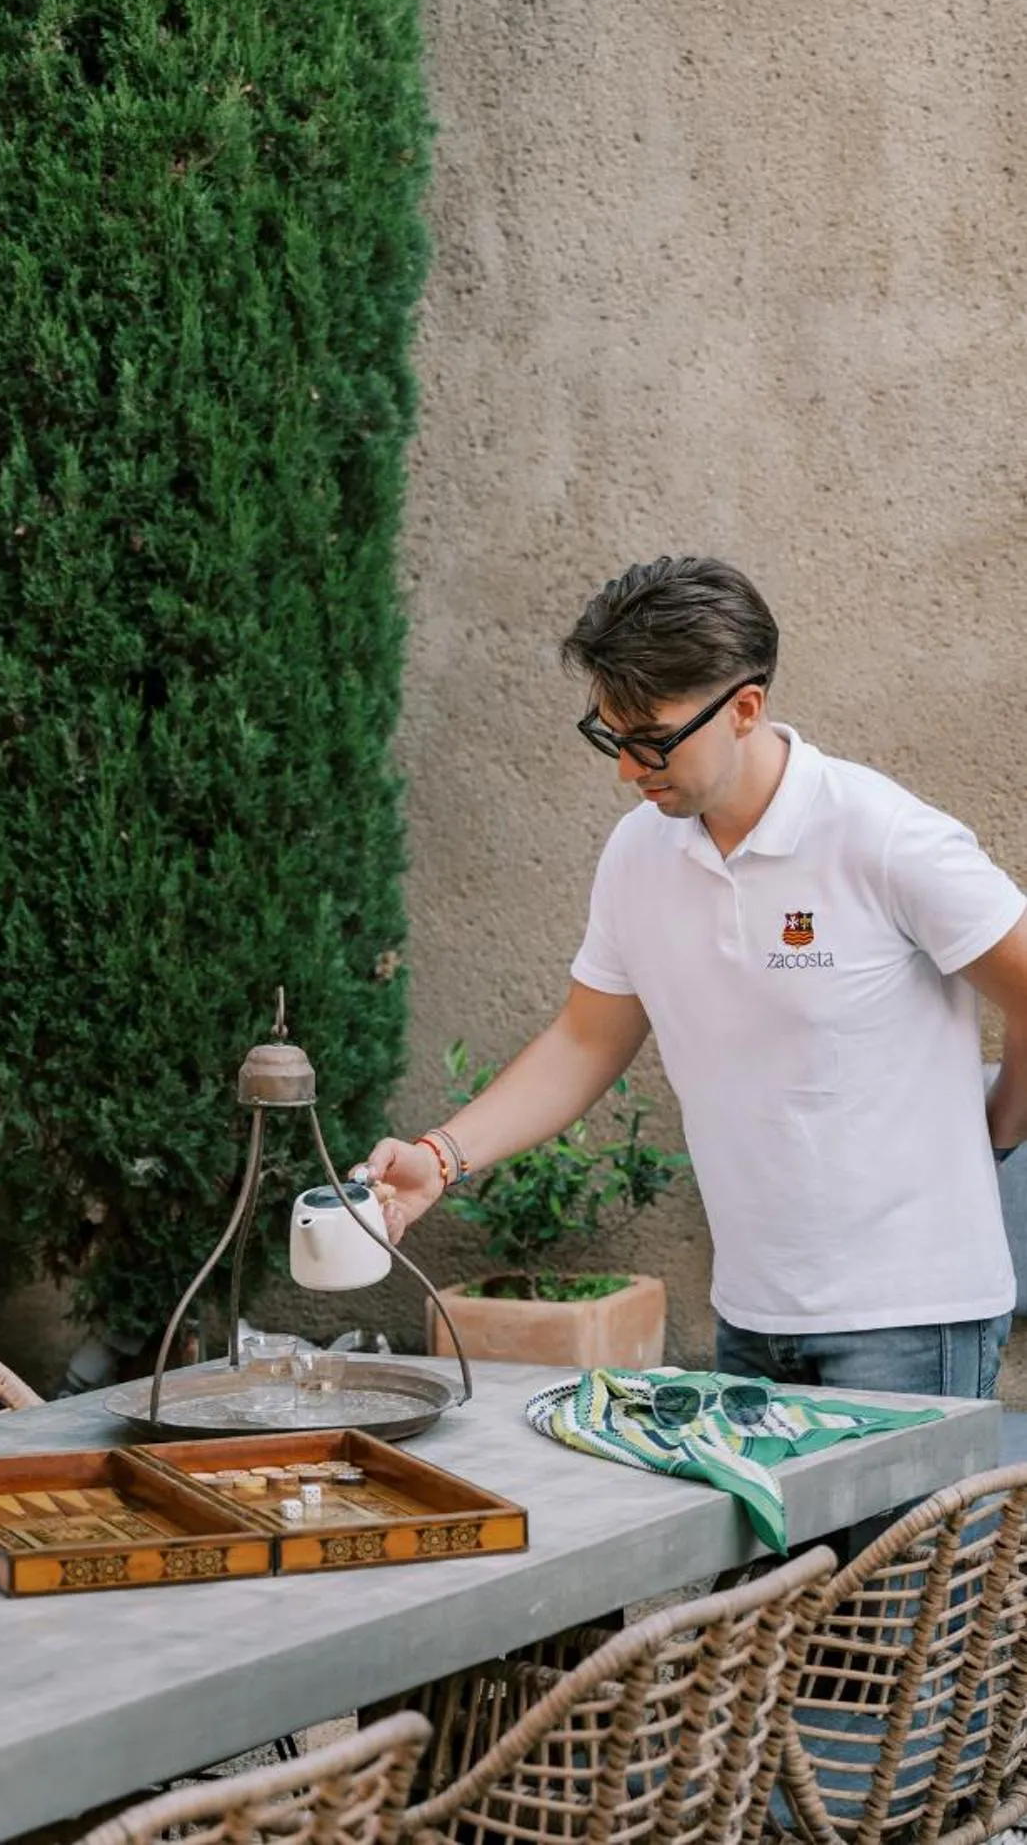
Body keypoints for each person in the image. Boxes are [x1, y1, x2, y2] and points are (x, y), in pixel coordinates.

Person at [364, 555, 1027, 1401]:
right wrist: (439, 1156)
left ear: (744, 707)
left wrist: (998, 1129)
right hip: (750, 1315)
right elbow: (583, 1038)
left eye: (650, 740)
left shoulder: (884, 837)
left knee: (893, 1544)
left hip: (910, 1314)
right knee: (780, 1547)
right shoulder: (638, 853)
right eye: (610, 736)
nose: (626, 768)